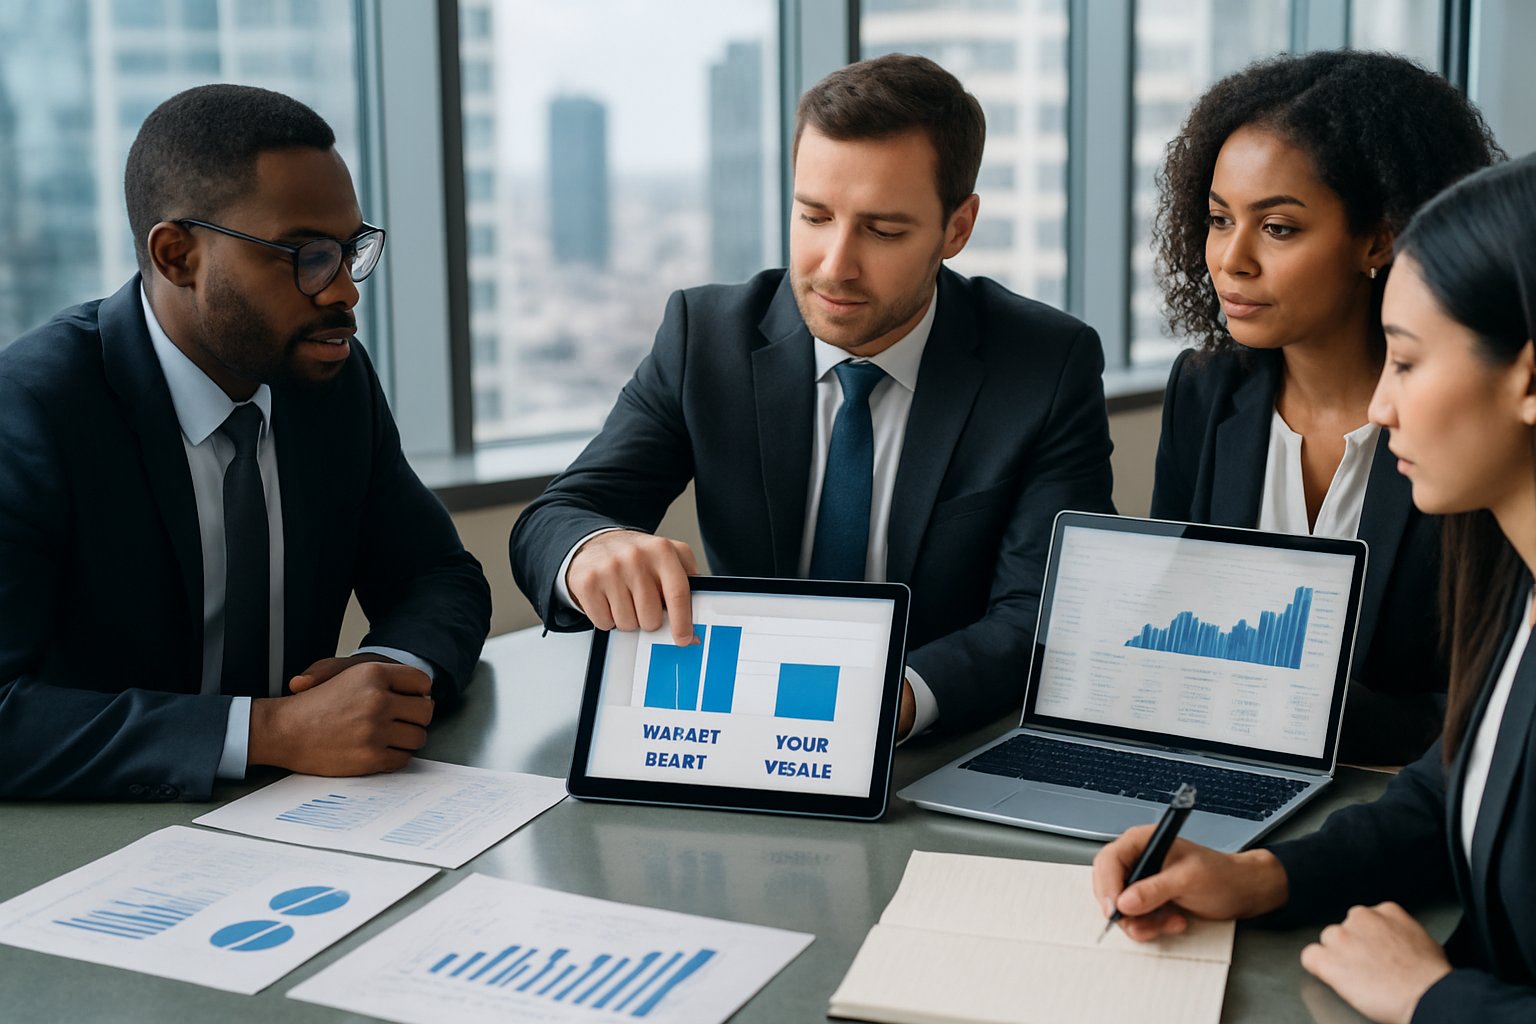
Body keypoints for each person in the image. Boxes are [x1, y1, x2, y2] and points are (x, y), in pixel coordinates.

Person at [511, 54, 1114, 738]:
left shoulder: (1044, 365)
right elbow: (554, 518)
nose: (834, 265)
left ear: (957, 228)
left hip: (925, 754)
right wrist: (591, 547)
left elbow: (1044, 606)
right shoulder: (704, 337)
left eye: (882, 230)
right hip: (731, 733)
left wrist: (900, 697)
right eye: (814, 216)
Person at [1094, 153, 1536, 1024]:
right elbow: (1451, 786)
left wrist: (1437, 999)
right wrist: (1263, 876)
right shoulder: (1515, 586)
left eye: (1405, 364)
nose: (1378, 407)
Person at [0, 85, 492, 801]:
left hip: (302, 820)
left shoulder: (330, 381)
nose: (343, 293)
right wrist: (270, 732)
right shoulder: (33, 410)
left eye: (350, 251)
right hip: (95, 848)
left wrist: (388, 668)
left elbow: (438, 577)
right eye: (303, 255)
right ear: (177, 257)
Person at [1149, 51, 1503, 764]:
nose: (1231, 259)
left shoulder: (1464, 420)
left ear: (1380, 238)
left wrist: (1288, 703)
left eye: (1277, 227)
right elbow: (1163, 632)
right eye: (1220, 220)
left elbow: (1490, 706)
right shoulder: (1204, 391)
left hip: (1396, 803)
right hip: (1213, 776)